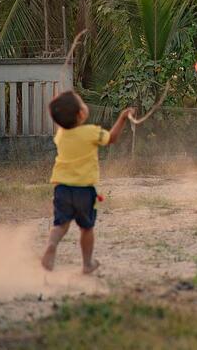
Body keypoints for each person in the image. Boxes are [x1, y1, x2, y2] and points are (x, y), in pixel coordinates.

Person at [41, 91, 133, 274]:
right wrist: (123, 118)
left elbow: (65, 126)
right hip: (84, 190)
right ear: (80, 114)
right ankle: (87, 264)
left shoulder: (61, 135)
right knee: (86, 228)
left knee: (60, 225)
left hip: (62, 189)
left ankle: (51, 245)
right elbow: (112, 139)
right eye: (82, 103)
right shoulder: (91, 132)